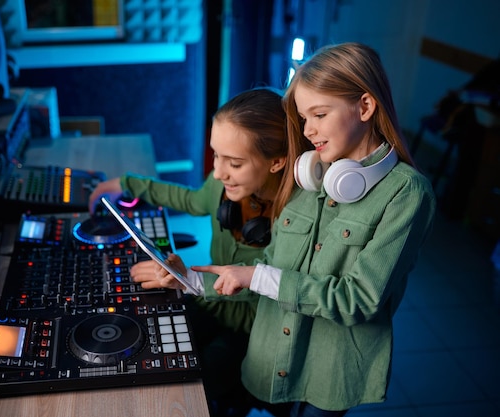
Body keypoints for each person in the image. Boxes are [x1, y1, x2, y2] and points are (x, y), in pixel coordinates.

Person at [133, 42, 437, 417]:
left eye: (319, 115)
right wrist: (188, 281)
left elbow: (358, 299)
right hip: (270, 353)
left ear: (365, 106)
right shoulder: (312, 175)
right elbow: (263, 271)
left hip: (328, 374)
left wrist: (257, 276)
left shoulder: (407, 193)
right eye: (303, 118)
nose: (308, 131)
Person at [88, 87, 309, 415]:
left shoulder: (297, 217)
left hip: (257, 332)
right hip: (212, 304)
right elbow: (190, 200)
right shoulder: (222, 186)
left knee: (194, 381)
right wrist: (128, 184)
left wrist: (187, 278)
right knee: (144, 335)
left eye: (233, 162)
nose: (219, 173)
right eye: (215, 155)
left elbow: (255, 284)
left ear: (277, 162)